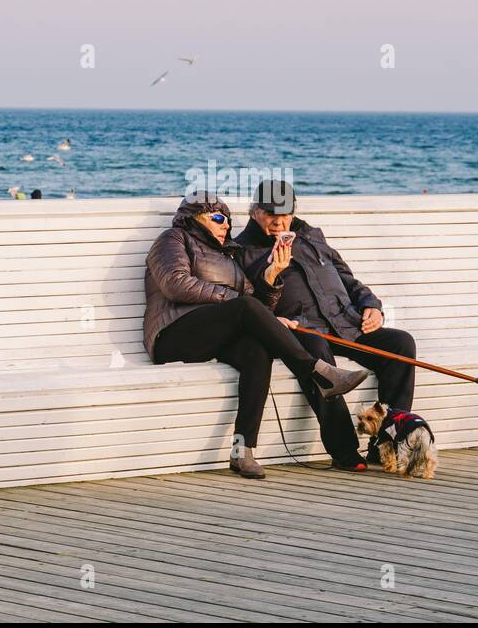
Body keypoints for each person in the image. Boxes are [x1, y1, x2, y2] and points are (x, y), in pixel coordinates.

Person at [144, 193, 369, 479]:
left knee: (267, 348)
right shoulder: (174, 239)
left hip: (216, 333)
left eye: (227, 219)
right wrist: (239, 301)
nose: (225, 224)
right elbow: (176, 284)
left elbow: (256, 303)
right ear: (194, 219)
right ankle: (317, 371)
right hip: (174, 332)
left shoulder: (227, 254)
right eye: (216, 218)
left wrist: (274, 275)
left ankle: (244, 449)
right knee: (246, 308)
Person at [236, 180, 419, 468]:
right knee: (318, 355)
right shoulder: (243, 251)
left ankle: (385, 443)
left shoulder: (310, 235)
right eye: (270, 214)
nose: (278, 222)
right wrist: (272, 274)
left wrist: (371, 304)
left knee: (401, 344)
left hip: (346, 322)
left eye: (284, 214)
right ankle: (343, 450)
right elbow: (251, 303)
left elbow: (347, 277)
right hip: (303, 329)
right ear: (254, 212)